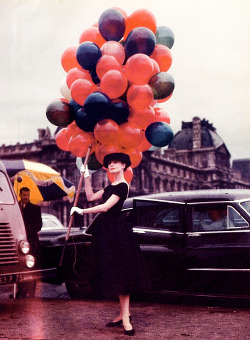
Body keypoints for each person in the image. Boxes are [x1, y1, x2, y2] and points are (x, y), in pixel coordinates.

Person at [71, 153, 149, 336]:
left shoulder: (123, 186)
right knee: (114, 273)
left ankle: (126, 319)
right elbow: (90, 196)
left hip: (118, 233)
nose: (112, 165)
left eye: (116, 163)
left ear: (124, 165)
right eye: (109, 163)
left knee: (122, 274)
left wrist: (81, 211)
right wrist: (87, 175)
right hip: (107, 232)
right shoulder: (110, 186)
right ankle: (123, 314)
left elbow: (105, 207)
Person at [17, 187, 42, 298]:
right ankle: (20, 291)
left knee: (32, 267)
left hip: (32, 242)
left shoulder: (35, 208)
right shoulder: (15, 208)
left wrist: (27, 229)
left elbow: (38, 226)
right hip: (18, 242)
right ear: (20, 195)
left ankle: (31, 292)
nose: (26, 197)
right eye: (24, 195)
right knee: (20, 266)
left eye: (28, 195)